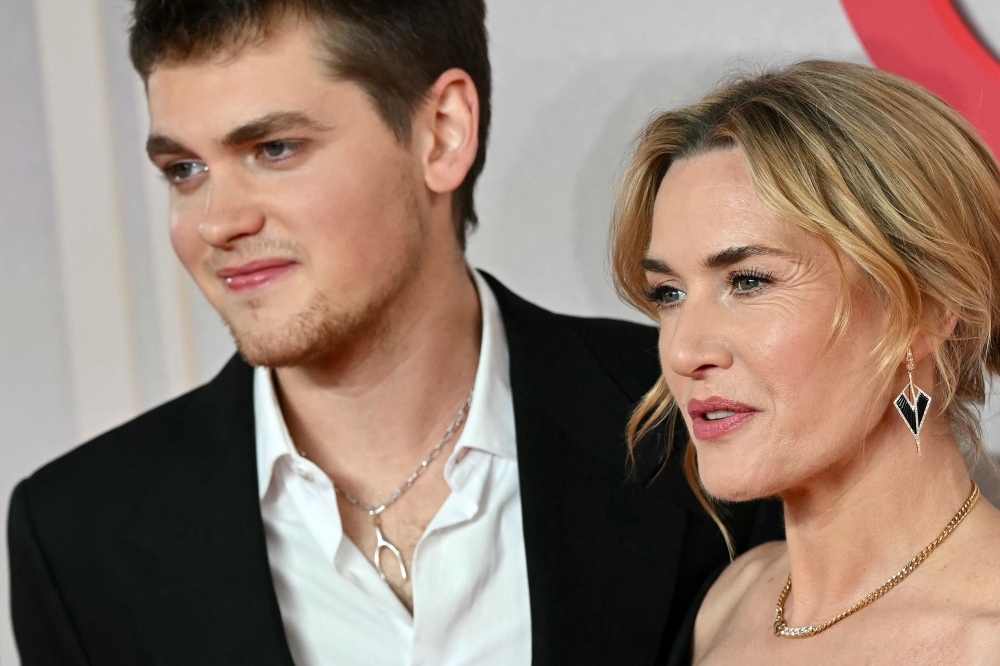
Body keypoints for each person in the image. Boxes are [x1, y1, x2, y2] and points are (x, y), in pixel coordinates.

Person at [7, 2, 783, 665]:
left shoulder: (697, 421)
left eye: (274, 150)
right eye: (184, 170)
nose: (215, 222)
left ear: (442, 133)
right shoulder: (79, 536)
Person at [610, 59, 1000, 665]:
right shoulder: (727, 605)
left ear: (928, 308)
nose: (684, 353)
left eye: (749, 281)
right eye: (669, 294)